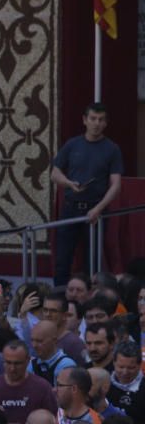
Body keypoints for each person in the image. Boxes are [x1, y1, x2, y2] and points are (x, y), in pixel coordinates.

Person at [51, 102, 124, 286]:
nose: (96, 123)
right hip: (70, 208)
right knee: (63, 259)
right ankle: (59, 299)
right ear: (85, 120)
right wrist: (69, 183)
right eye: (93, 119)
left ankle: (90, 302)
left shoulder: (112, 149)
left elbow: (116, 185)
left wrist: (98, 209)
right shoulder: (72, 144)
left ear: (106, 123)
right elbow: (55, 173)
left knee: (92, 262)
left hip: (96, 212)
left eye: (101, 120)